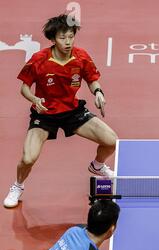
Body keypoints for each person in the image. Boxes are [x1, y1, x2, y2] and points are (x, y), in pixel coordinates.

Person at [3, 14, 118, 208]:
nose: (67, 41)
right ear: (53, 39)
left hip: (72, 111)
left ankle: (97, 166)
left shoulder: (81, 57)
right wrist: (34, 99)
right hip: (44, 113)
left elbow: (91, 79)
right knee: (28, 158)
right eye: (62, 37)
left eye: (71, 36)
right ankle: (17, 186)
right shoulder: (39, 60)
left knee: (111, 140)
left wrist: (98, 92)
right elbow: (24, 88)